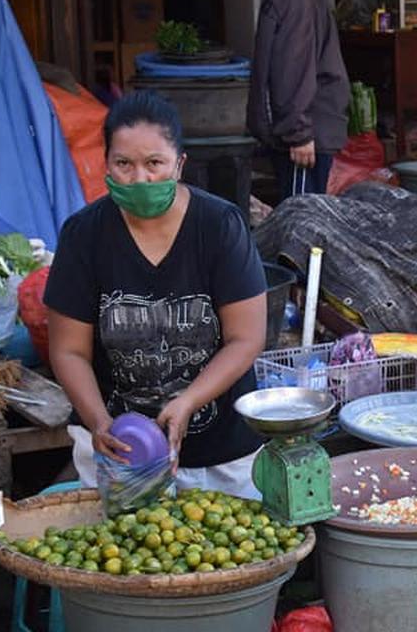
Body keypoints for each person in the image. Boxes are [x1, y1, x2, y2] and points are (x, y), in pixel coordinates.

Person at [46, 91, 269, 499]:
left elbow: (247, 338)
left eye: (154, 164)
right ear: (106, 165)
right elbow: (68, 350)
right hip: (119, 452)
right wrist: (99, 422)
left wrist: (188, 402)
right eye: (124, 164)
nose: (140, 178)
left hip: (222, 454)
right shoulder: (84, 235)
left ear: (179, 164)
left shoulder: (219, 226)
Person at [247, 0, 359, 200]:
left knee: (307, 222)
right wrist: (299, 134)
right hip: (304, 140)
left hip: (310, 132)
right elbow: (291, 68)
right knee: (302, 225)